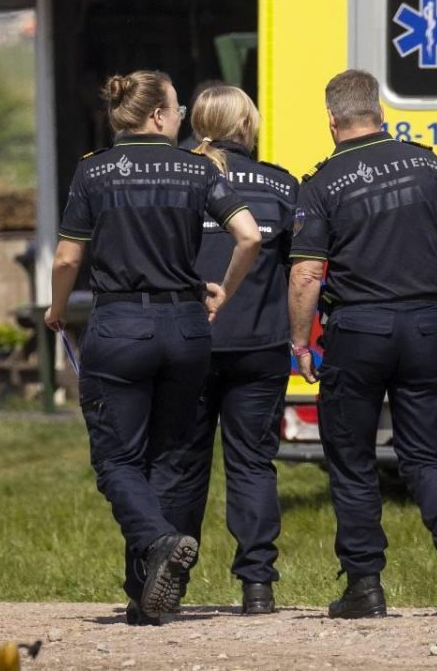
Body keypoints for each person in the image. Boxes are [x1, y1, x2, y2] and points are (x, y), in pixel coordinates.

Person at [46, 70, 263, 625]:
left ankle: (160, 541)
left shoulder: (94, 171)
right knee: (168, 459)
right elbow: (250, 236)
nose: (183, 117)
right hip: (187, 328)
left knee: (118, 459)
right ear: (160, 117)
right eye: (178, 108)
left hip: (120, 326)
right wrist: (223, 292)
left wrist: (55, 310)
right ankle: (145, 597)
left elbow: (69, 258)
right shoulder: (198, 169)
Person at [287, 70, 437, 619]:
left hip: (359, 332)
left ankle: (365, 586)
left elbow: (306, 274)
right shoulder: (426, 162)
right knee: (426, 452)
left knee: (352, 459)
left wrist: (300, 343)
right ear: (378, 111)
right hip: (426, 325)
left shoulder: (322, 182)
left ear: (332, 120)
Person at [168, 85, 298, 616]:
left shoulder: (177, 179)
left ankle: (168, 579)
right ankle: (257, 585)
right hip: (261, 344)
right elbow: (301, 271)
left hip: (189, 340)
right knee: (252, 463)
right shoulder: (283, 186)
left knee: (181, 464)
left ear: (200, 124)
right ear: (248, 125)